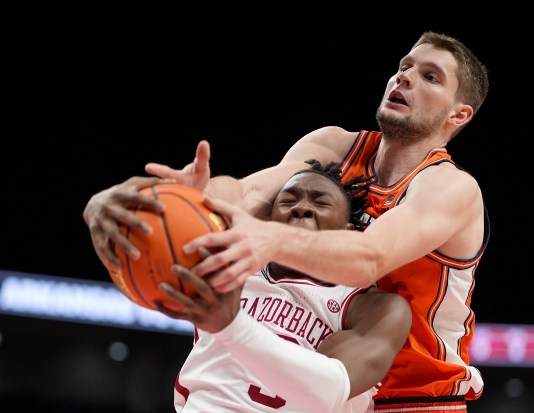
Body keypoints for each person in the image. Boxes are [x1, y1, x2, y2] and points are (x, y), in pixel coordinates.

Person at [84, 31, 490, 412]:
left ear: (459, 114)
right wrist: (171, 199)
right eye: (404, 67)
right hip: (317, 377)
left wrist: (264, 236)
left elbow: (370, 257)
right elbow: (247, 196)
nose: (405, 78)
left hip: (413, 399)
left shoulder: (450, 188)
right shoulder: (334, 146)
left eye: (430, 76)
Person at [155, 160, 411, 413]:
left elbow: (326, 393)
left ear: (349, 233)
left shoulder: (372, 307)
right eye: (288, 200)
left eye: (320, 202)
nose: (301, 208)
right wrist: (175, 204)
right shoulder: (228, 266)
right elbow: (146, 257)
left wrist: (232, 327)